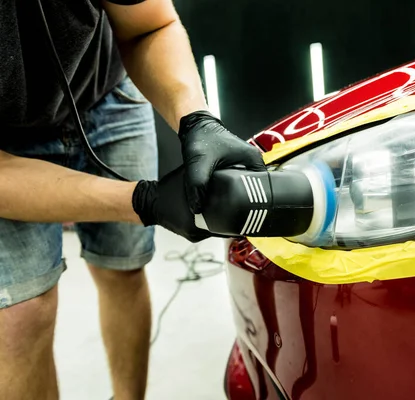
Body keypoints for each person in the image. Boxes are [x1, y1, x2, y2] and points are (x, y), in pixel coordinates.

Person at [0, 0, 265, 399]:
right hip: (7, 144)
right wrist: (145, 201)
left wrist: (197, 120)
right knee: (22, 316)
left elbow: (149, 25)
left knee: (123, 267)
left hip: (106, 95)